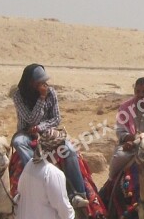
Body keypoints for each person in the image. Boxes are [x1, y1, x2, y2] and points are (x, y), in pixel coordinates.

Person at [11, 64, 87, 205]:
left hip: (48, 131)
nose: (43, 84)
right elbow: (30, 119)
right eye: (39, 82)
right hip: (26, 132)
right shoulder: (18, 96)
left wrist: (40, 127)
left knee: (69, 150)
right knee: (18, 142)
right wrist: (41, 98)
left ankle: (78, 193)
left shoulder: (51, 92)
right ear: (30, 82)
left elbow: (56, 119)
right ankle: (34, 172)